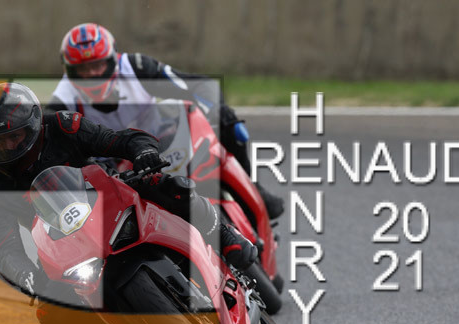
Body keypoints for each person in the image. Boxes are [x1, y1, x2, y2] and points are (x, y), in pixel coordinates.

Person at [0, 82, 257, 324]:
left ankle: (224, 235)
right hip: (61, 238)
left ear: (33, 124)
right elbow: (4, 246)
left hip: (108, 197)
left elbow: (119, 139)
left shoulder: (61, 126)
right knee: (52, 319)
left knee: (165, 185)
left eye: (14, 136)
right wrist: (25, 275)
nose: (8, 146)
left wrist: (143, 152)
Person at [47, 22, 285, 219]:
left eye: (98, 65)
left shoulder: (137, 68)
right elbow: (51, 152)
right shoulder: (61, 101)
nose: (93, 75)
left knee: (230, 125)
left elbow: (200, 85)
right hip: (115, 170)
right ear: (69, 71)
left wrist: (218, 110)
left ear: (113, 60)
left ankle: (254, 189)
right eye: (83, 69)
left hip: (162, 143)